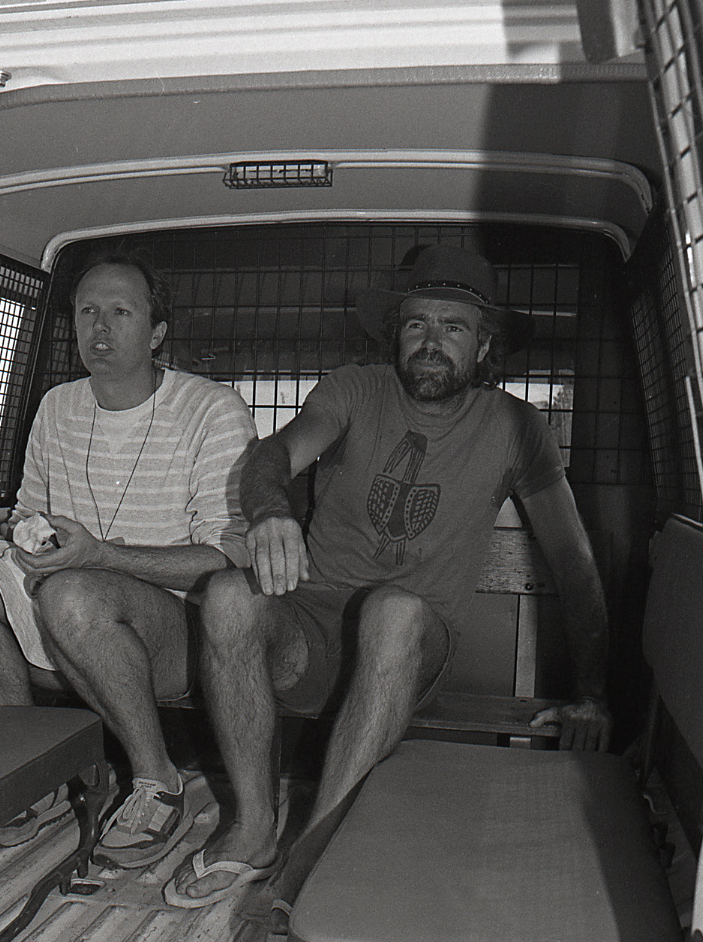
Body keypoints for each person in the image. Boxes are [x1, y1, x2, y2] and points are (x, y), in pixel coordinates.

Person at [163, 244, 612, 908]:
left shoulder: (516, 426)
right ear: (395, 335)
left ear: (484, 346)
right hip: (310, 630)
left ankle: (314, 854)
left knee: (394, 610)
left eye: (453, 327)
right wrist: (267, 512)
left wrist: (594, 694)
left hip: (411, 645)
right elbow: (273, 453)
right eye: (416, 324)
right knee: (228, 594)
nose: (431, 341)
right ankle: (254, 828)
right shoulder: (353, 388)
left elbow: (574, 566)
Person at [0, 251, 256, 865]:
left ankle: (156, 781)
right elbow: (30, 513)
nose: (101, 328)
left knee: (74, 592)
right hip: (70, 605)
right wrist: (10, 540)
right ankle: (30, 776)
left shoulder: (212, 410)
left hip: (178, 630)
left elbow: (229, 560)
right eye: (87, 311)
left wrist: (100, 557)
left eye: (121, 311)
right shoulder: (57, 406)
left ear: (157, 331)